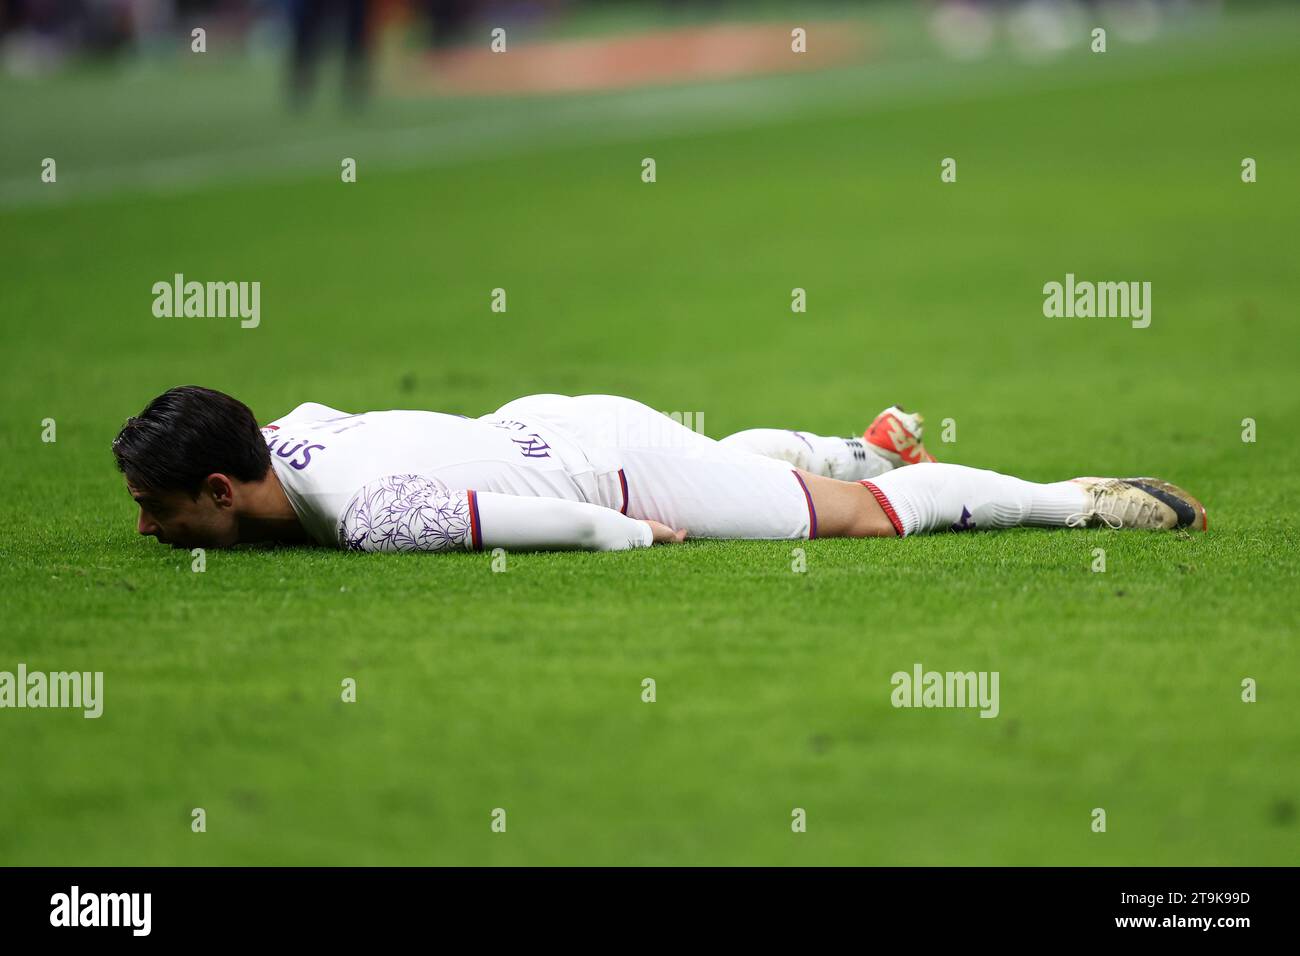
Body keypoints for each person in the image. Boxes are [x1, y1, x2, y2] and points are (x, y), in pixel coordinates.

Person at [111, 386, 1207, 553]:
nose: (148, 531)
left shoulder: (366, 513)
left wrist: (634, 535)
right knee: (753, 473)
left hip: (612, 473)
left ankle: (1078, 501)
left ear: (222, 487)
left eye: (161, 510)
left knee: (857, 519)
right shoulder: (287, 429)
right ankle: (829, 439)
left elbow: (538, 524)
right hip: (544, 414)